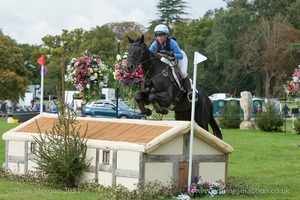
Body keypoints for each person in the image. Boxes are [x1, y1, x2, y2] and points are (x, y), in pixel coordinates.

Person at [149, 24, 192, 99]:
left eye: (161, 36)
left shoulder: (172, 42)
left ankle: (189, 91)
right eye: (158, 36)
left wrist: (172, 54)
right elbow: (149, 53)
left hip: (178, 58)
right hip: (167, 58)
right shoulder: (155, 43)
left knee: (183, 72)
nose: (159, 38)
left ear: (165, 36)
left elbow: (180, 56)